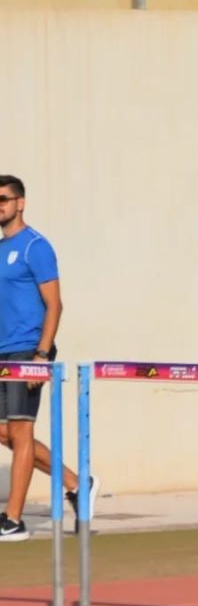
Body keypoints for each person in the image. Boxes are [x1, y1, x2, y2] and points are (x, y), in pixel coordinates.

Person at [0, 176, 95, 541]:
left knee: (22, 431)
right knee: (5, 431)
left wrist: (42, 354)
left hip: (28, 350)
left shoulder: (35, 247)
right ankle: (76, 482)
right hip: (3, 351)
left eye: (4, 199)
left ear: (20, 203)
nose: (0, 205)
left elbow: (54, 304)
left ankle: (13, 520)